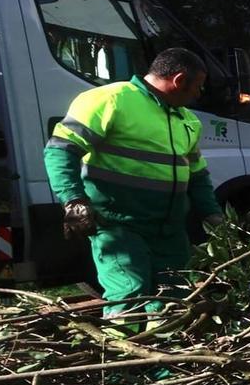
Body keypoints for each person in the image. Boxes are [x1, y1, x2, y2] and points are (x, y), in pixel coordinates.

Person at [45, 47, 225, 315]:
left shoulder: (188, 121)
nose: (199, 94)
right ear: (178, 81)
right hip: (119, 226)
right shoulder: (110, 100)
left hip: (169, 231)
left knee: (175, 298)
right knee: (130, 295)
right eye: (197, 87)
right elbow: (60, 149)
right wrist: (73, 200)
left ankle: (166, 353)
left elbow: (197, 175)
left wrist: (212, 214)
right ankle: (122, 350)